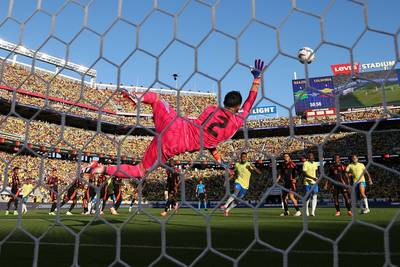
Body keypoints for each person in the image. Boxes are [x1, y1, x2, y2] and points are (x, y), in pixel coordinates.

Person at [83, 59, 265, 181]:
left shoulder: (211, 109)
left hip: (175, 123)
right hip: (174, 144)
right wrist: (257, 79)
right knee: (139, 171)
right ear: (236, 107)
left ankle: (137, 97)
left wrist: (217, 156)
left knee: (156, 99)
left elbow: (209, 138)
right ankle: (101, 169)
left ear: (224, 102)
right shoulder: (237, 122)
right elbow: (250, 102)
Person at [221, 152, 261, 216]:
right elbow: (233, 174)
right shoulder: (237, 164)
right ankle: (225, 205)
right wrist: (227, 180)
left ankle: (227, 210)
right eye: (242, 157)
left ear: (246, 157)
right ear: (240, 157)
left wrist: (254, 167)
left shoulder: (249, 164)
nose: (243, 158)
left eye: (245, 157)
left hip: (245, 186)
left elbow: (259, 173)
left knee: (237, 201)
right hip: (238, 181)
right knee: (236, 192)